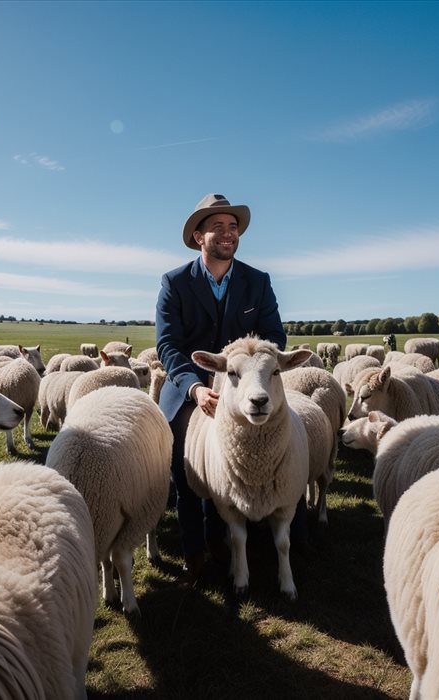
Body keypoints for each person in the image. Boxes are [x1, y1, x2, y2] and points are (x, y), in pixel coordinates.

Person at [156, 192, 301, 587]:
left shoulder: (257, 281)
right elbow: (168, 345)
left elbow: (274, 333)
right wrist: (195, 389)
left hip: (245, 380)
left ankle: (251, 539)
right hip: (192, 383)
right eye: (217, 227)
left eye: (232, 227)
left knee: (272, 450)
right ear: (198, 236)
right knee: (186, 464)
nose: (227, 233)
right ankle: (195, 555)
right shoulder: (175, 283)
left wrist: (251, 362)